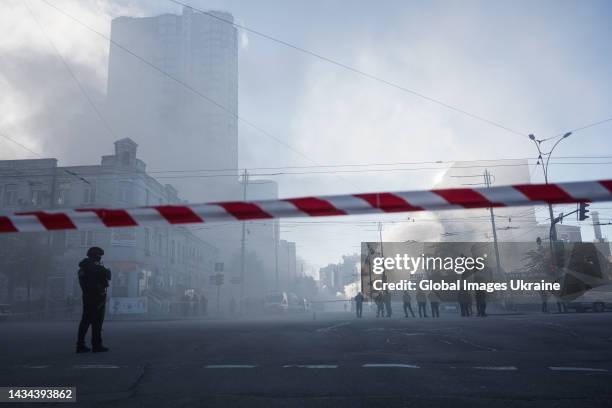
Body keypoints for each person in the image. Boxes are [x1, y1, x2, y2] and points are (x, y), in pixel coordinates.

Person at [76, 247, 111, 353]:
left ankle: (80, 345)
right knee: (97, 323)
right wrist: (106, 269)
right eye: (99, 256)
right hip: (98, 297)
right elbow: (108, 275)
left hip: (86, 297)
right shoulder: (97, 267)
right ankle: (97, 345)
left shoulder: (82, 269)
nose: (100, 258)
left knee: (85, 322)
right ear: (96, 255)